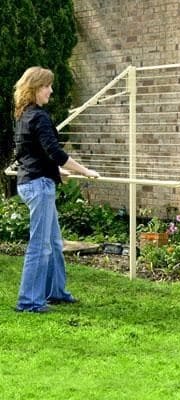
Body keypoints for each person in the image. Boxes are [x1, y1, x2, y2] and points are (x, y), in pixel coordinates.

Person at [13, 66, 100, 313]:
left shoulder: (23, 115)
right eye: (47, 86)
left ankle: (56, 292)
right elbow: (55, 152)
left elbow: (29, 153)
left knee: (52, 240)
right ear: (34, 89)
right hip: (38, 186)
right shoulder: (38, 116)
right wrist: (85, 171)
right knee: (40, 246)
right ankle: (29, 302)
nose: (51, 90)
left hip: (34, 181)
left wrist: (56, 172)